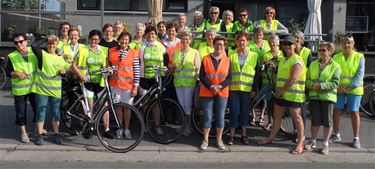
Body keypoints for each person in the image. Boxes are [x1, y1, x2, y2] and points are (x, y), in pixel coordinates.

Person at [259, 35, 306, 155]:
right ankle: (271, 138)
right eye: (285, 44)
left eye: (289, 44)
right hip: (281, 94)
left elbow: (293, 79)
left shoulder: (297, 60)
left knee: (297, 119)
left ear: (295, 45)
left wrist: (281, 91)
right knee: (277, 117)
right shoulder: (283, 59)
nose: (286, 46)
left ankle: (300, 143)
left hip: (293, 95)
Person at [72, 30, 115, 139]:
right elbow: (73, 65)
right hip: (88, 82)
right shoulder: (83, 50)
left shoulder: (104, 50)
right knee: (90, 106)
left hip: (100, 82)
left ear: (100, 40)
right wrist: (81, 76)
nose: (94, 41)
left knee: (104, 106)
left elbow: (108, 64)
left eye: (96, 39)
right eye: (92, 39)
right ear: (89, 39)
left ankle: (107, 129)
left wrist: (109, 69)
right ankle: (90, 128)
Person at [31, 35, 71, 145]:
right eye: (49, 44)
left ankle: (56, 134)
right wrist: (46, 38)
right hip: (42, 90)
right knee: (41, 112)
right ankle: (39, 135)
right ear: (46, 45)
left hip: (55, 91)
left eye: (53, 43)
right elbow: (34, 45)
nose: (51, 45)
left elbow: (69, 67)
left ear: (57, 45)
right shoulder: (42, 55)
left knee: (56, 114)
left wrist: (65, 70)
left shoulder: (60, 58)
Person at [305, 42, 341, 155]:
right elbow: (307, 80)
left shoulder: (336, 66)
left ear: (330, 52)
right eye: (319, 50)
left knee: (327, 122)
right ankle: (313, 141)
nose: (320, 52)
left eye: (323, 50)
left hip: (328, 97)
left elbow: (335, 83)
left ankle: (325, 144)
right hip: (315, 96)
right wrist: (312, 85)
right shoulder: (313, 64)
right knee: (315, 120)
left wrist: (321, 86)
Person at [331, 34, 365, 149]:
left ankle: (356, 138)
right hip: (339, 89)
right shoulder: (336, 57)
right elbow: (333, 73)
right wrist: (337, 87)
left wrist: (349, 87)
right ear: (341, 44)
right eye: (345, 42)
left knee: (354, 112)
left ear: (353, 43)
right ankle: (336, 135)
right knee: (336, 110)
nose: (347, 45)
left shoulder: (360, 57)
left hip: (354, 89)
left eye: (349, 42)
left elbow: (360, 75)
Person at [199, 36, 232, 150]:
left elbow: (229, 78)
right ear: (213, 45)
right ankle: (205, 140)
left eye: (221, 45)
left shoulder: (228, 60)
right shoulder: (205, 59)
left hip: (222, 92)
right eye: (217, 44)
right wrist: (211, 86)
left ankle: (219, 140)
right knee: (207, 116)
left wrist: (220, 86)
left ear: (224, 46)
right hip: (207, 92)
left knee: (220, 117)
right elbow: (201, 76)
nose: (219, 46)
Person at [5, 33, 38, 143]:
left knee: (38, 108)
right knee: (21, 112)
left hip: (34, 87)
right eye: (16, 42)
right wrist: (16, 73)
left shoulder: (34, 51)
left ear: (26, 41)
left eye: (21, 41)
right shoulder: (12, 56)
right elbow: (8, 71)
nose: (19, 44)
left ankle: (39, 127)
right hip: (20, 89)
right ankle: (23, 133)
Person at [108, 32, 140, 139]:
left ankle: (127, 129)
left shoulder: (133, 52)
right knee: (118, 107)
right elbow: (110, 67)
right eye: (122, 39)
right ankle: (119, 128)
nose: (124, 41)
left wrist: (135, 86)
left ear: (129, 41)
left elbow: (136, 71)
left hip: (128, 85)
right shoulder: (112, 51)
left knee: (127, 108)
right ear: (118, 39)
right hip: (115, 85)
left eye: (126, 39)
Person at [227, 32, 258, 145]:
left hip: (247, 89)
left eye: (243, 40)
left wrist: (254, 89)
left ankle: (244, 135)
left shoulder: (254, 55)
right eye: (239, 40)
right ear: (236, 42)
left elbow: (256, 74)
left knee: (245, 112)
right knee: (234, 111)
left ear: (248, 42)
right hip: (234, 88)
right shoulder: (231, 54)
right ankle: (232, 135)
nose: (241, 43)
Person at [139, 26, 169, 135]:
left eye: (153, 34)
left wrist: (165, 70)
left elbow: (166, 61)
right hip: (143, 79)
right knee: (145, 103)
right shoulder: (141, 47)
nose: (151, 36)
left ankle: (157, 126)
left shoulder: (161, 46)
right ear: (145, 35)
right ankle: (146, 125)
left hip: (156, 79)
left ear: (156, 35)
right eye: (149, 34)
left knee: (155, 103)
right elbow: (138, 63)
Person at [170, 31, 200, 136]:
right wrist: (172, 66)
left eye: (187, 39)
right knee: (182, 104)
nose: (185, 41)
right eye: (183, 39)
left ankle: (189, 126)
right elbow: (173, 68)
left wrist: (196, 78)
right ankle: (184, 125)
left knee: (188, 105)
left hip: (189, 82)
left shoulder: (195, 52)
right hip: (178, 82)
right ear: (181, 40)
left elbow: (197, 67)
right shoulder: (177, 52)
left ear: (190, 40)